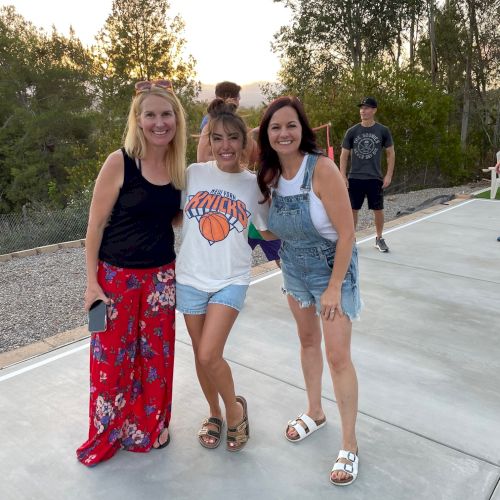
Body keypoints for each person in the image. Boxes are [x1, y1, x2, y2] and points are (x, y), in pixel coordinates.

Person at [76, 80, 186, 466]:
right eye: (151, 114)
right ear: (137, 120)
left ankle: (153, 424)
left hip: (161, 279)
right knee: (111, 361)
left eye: (166, 114)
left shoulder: (177, 168)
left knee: (157, 359)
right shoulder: (118, 162)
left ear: (177, 119)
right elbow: (94, 227)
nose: (159, 122)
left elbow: (172, 218)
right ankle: (109, 430)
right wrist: (92, 284)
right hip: (116, 279)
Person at [257, 96, 362, 486]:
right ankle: (315, 412)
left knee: (338, 357)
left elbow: (348, 232)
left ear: (302, 129)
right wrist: (250, 219)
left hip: (330, 268)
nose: (284, 133)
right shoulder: (267, 175)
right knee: (306, 342)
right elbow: (270, 231)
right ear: (266, 135)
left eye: (290, 125)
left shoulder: (322, 170)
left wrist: (334, 286)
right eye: (275, 127)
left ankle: (350, 444)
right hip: (293, 268)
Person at [176, 99, 273, 451]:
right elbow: (172, 214)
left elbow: (268, 232)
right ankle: (214, 412)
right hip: (189, 277)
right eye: (217, 138)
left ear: (244, 143)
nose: (225, 145)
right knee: (202, 354)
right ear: (209, 142)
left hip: (230, 279)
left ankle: (235, 412)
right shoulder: (193, 173)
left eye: (233, 137)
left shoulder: (254, 185)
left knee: (208, 354)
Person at [197, 81, 280, 266]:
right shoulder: (220, 124)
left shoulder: (209, 122)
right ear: (233, 98)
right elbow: (254, 156)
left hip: (228, 195)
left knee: (228, 256)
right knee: (271, 245)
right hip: (231, 195)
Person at [339, 96, 395, 252]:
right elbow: (344, 155)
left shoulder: (383, 131)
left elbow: (390, 153)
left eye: (367, 108)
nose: (363, 110)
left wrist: (388, 175)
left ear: (374, 110)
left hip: (374, 177)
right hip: (355, 177)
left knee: (378, 209)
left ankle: (379, 238)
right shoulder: (352, 131)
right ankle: (351, 238)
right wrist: (342, 176)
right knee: (352, 210)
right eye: (361, 108)